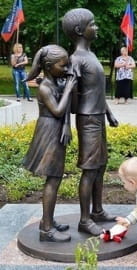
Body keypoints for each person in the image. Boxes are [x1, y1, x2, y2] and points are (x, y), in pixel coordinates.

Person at [62, 8, 118, 236]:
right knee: (89, 169)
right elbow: (68, 94)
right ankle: (84, 220)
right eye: (92, 24)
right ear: (79, 30)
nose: (96, 27)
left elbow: (96, 91)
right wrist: (66, 124)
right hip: (87, 121)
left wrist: (108, 112)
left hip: (98, 117)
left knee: (101, 165)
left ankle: (97, 210)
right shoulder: (76, 59)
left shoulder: (91, 56)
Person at [23, 44, 76, 242]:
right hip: (48, 132)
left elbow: (65, 110)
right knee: (52, 179)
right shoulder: (45, 87)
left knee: (56, 178)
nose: (66, 70)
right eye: (62, 66)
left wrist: (67, 125)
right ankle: (46, 230)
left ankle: (48, 220)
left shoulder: (54, 82)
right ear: (48, 65)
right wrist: (69, 89)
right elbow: (58, 110)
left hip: (55, 129)